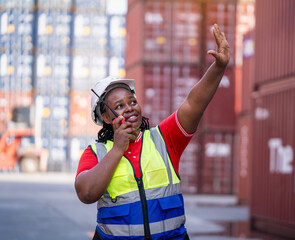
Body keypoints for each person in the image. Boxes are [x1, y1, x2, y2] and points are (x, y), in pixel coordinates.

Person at [75, 24, 230, 240]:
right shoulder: (95, 153)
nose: (129, 107)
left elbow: (193, 104)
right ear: (107, 118)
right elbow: (87, 193)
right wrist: (118, 148)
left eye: (133, 101)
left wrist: (218, 68)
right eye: (119, 106)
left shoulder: (164, 139)